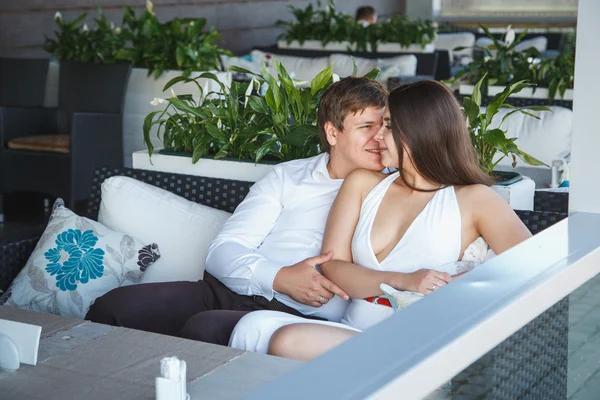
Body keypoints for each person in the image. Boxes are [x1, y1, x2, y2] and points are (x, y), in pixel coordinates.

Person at [228, 80, 532, 360]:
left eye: (387, 126)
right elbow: (334, 266)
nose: (378, 137)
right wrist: (404, 281)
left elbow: (531, 264)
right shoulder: (363, 183)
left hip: (413, 337)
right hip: (356, 327)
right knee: (251, 327)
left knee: (287, 342)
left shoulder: (474, 199)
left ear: (415, 132)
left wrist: (451, 285)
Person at [85, 76, 389, 345]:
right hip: (230, 291)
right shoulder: (289, 176)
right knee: (113, 307)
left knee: (206, 330)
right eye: (366, 127)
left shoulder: (393, 191)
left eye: (384, 127)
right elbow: (223, 249)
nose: (380, 138)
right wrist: (279, 277)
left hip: (300, 317)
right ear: (333, 133)